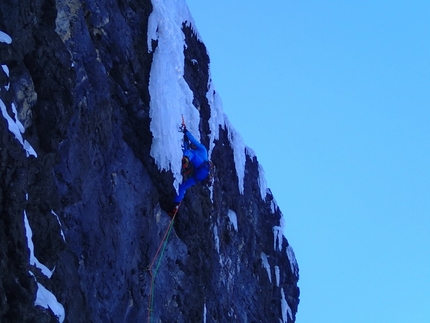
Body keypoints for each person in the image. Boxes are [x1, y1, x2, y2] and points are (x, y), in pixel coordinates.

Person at [169, 126, 210, 216]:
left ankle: (186, 160)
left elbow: (193, 140)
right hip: (201, 175)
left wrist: (185, 131)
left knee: (190, 153)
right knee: (183, 187)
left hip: (202, 168)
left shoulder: (202, 149)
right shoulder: (202, 155)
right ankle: (175, 206)